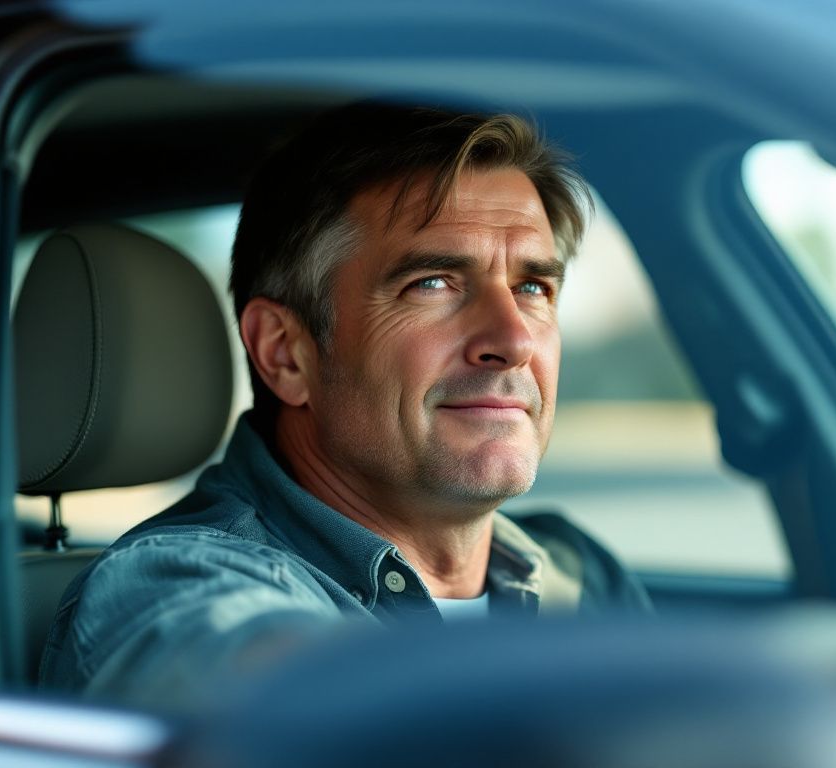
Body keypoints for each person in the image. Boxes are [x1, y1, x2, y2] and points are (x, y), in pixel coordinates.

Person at [39, 103, 651, 709]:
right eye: (432, 284)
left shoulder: (579, 572)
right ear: (286, 354)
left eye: (532, 288)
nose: (514, 339)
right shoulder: (173, 590)